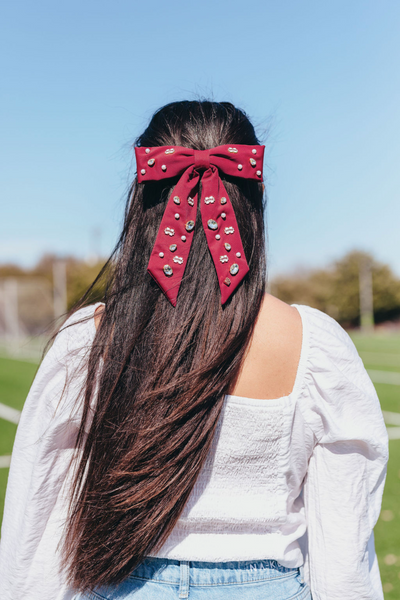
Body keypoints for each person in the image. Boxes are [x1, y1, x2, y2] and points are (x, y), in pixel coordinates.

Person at [0, 101, 388, 600]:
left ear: (142, 195)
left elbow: (38, 522)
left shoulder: (86, 341)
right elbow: (344, 548)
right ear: (256, 194)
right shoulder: (315, 344)